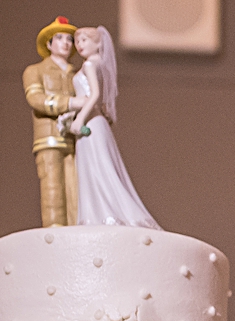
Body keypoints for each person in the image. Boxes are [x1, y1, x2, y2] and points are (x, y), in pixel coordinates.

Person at [70, 25, 160, 229]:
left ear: (98, 43)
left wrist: (79, 119)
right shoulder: (98, 64)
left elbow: (93, 95)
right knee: (97, 169)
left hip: (90, 123)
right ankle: (101, 215)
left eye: (85, 40)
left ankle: (104, 216)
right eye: (78, 41)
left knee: (98, 170)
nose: (79, 45)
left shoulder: (90, 65)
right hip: (95, 123)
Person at [24, 16, 79, 227]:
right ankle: (55, 234)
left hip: (74, 140)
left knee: (75, 189)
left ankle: (75, 230)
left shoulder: (76, 73)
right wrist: (70, 103)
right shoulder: (35, 71)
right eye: (60, 38)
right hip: (49, 138)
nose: (66, 43)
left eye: (69, 39)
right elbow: (36, 99)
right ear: (49, 44)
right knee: (53, 188)